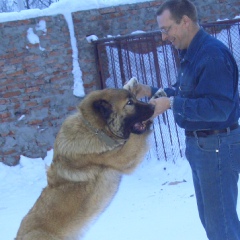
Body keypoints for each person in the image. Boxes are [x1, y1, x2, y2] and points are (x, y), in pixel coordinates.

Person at [130, 0, 240, 239]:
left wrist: (171, 104)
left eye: (166, 29)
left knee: (221, 226)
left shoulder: (212, 56)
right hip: (203, 147)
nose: (163, 37)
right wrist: (149, 90)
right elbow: (185, 92)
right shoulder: (192, 53)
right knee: (215, 223)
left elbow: (219, 109)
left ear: (186, 22)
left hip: (217, 147)